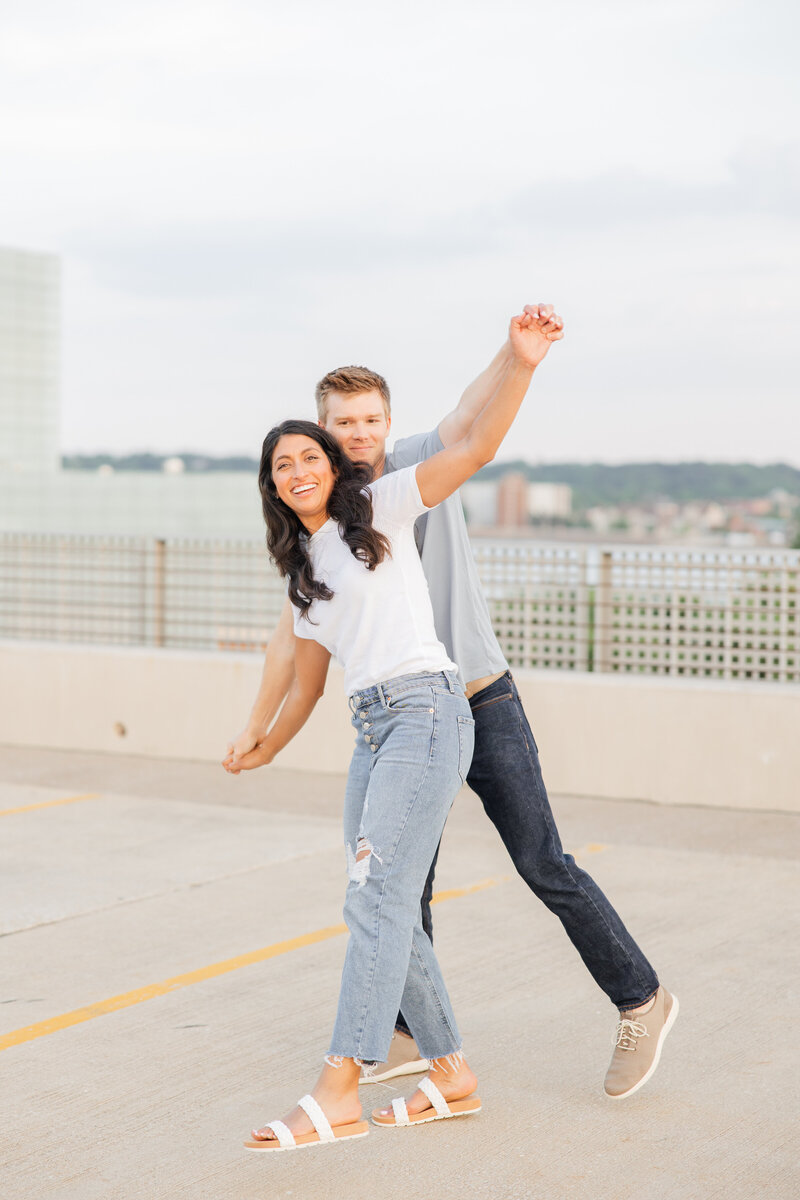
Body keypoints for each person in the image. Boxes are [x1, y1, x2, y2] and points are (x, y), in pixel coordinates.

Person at [229, 303, 678, 1104]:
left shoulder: (405, 475)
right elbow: (289, 640)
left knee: (541, 860)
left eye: (370, 419)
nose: (358, 433)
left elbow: (473, 421)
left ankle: (641, 999)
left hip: (476, 694)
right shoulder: (322, 519)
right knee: (401, 886)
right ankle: (414, 1037)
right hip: (399, 721)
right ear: (323, 435)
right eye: (343, 424)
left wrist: (519, 360)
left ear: (387, 422)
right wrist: (259, 733)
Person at [228, 309, 549, 1152]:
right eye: (283, 463)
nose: (300, 469)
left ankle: (339, 1085)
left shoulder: (380, 507)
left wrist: (520, 364)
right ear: (272, 485)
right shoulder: (307, 570)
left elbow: (472, 448)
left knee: (377, 898)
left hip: (430, 710)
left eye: (311, 455)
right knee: (377, 897)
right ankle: (451, 1074)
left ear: (333, 463)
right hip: (372, 729)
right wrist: (263, 741)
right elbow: (303, 685)